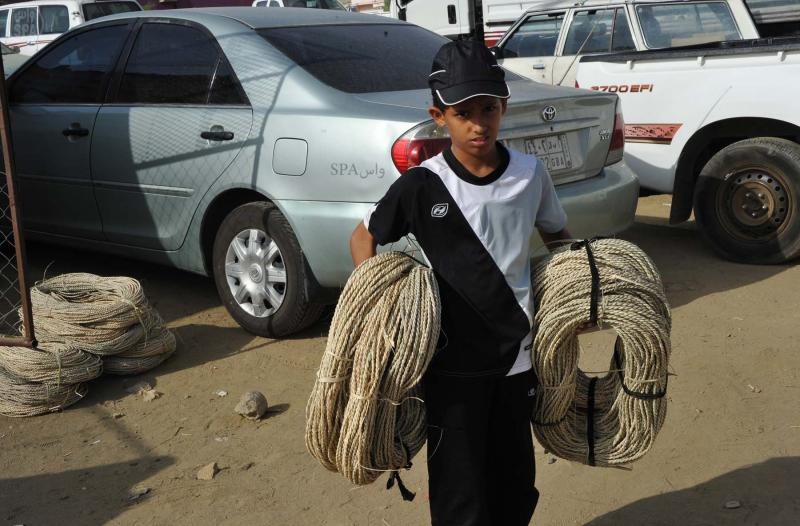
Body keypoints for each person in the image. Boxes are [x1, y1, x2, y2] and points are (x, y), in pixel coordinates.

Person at [349, 40, 572, 526]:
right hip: (450, 363)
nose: (478, 124)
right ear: (439, 117)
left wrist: (573, 298)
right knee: (459, 489)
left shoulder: (530, 174)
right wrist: (375, 307)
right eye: (463, 113)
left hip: (516, 355)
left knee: (514, 481)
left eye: (488, 109)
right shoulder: (421, 185)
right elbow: (364, 237)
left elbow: (559, 237)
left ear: (503, 107)